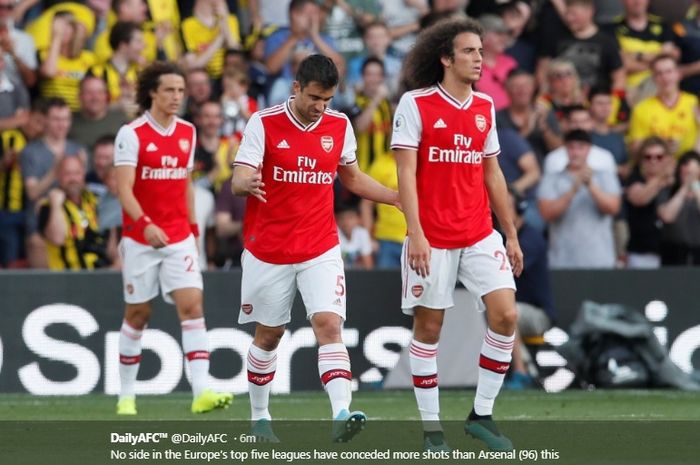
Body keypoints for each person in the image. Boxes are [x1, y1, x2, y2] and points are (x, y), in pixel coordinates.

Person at [231, 54, 399, 442]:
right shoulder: (264, 122)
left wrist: (394, 197)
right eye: (313, 98)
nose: (320, 107)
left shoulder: (339, 126)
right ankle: (259, 418)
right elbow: (240, 176)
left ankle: (341, 413)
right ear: (295, 88)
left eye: (326, 100)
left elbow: (352, 178)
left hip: (319, 245)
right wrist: (246, 184)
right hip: (268, 249)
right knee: (269, 335)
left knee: (328, 324)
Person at [391, 17, 523, 453]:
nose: (479, 59)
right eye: (469, 51)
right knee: (430, 329)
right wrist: (416, 233)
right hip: (431, 235)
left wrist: (510, 234)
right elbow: (406, 174)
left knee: (506, 316)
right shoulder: (416, 104)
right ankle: (432, 431)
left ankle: (481, 415)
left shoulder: (485, 108)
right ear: (446, 58)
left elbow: (493, 173)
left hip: (478, 232)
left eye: (481, 52)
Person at [113, 61, 232, 416]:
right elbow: (124, 189)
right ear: (152, 91)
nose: (177, 96)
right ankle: (127, 396)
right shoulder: (131, 134)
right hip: (140, 239)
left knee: (193, 306)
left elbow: (184, 184)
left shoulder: (187, 132)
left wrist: (194, 228)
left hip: (179, 236)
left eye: (181, 90)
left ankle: (201, 392)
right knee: (138, 314)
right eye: (170, 90)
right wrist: (146, 223)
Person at [538, 129, 622, 269]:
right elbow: (546, 214)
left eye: (580, 147)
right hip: (562, 260)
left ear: (589, 149)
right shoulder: (551, 178)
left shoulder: (604, 175)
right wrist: (573, 190)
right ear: (565, 149)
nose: (576, 153)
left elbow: (613, 208)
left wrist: (591, 186)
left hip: (600, 260)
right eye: (571, 147)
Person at [37, 156, 111, 270]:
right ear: (58, 176)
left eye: (77, 173)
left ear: (83, 175)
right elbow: (57, 238)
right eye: (67, 174)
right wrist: (56, 205)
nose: (73, 179)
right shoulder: (48, 206)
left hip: (100, 275)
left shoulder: (95, 200)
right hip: (66, 280)